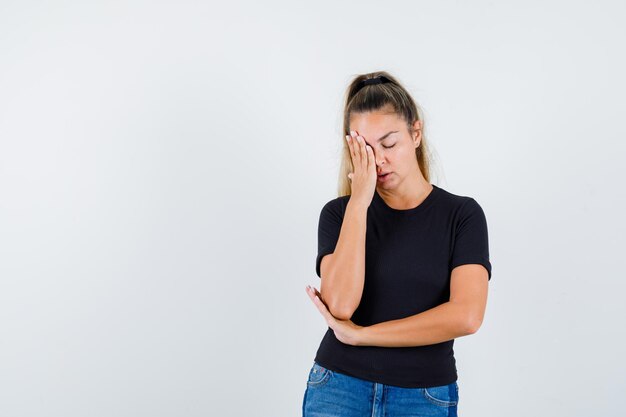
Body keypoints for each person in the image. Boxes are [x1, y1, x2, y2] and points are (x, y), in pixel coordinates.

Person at [303, 71, 492, 417]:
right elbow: (341, 307)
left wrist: (363, 336)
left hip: (423, 396)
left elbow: (466, 316)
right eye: (365, 149)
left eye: (389, 144)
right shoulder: (339, 214)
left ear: (415, 133)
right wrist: (359, 201)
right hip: (338, 389)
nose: (379, 161)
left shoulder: (462, 215)